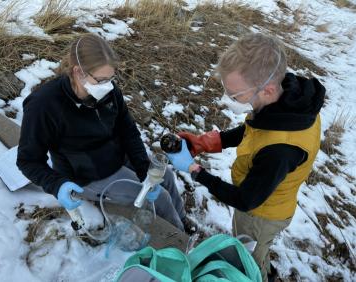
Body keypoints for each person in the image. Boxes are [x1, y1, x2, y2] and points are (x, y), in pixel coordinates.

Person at [166, 33, 325, 281]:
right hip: (265, 197)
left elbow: (245, 200)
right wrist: (207, 142)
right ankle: (263, 262)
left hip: (261, 214)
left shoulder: (280, 151)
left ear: (268, 89)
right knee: (258, 248)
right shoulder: (291, 106)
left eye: (235, 95)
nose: (228, 100)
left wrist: (196, 171)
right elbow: (255, 131)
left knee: (248, 258)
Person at [17, 34, 185, 231]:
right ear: (78, 72)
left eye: (111, 78)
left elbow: (128, 131)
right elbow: (28, 160)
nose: (108, 85)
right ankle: (180, 240)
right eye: (101, 80)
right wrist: (57, 185)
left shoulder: (108, 91)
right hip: (88, 175)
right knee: (162, 199)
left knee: (167, 179)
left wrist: (142, 168)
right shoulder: (44, 105)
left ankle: (183, 223)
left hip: (116, 155)